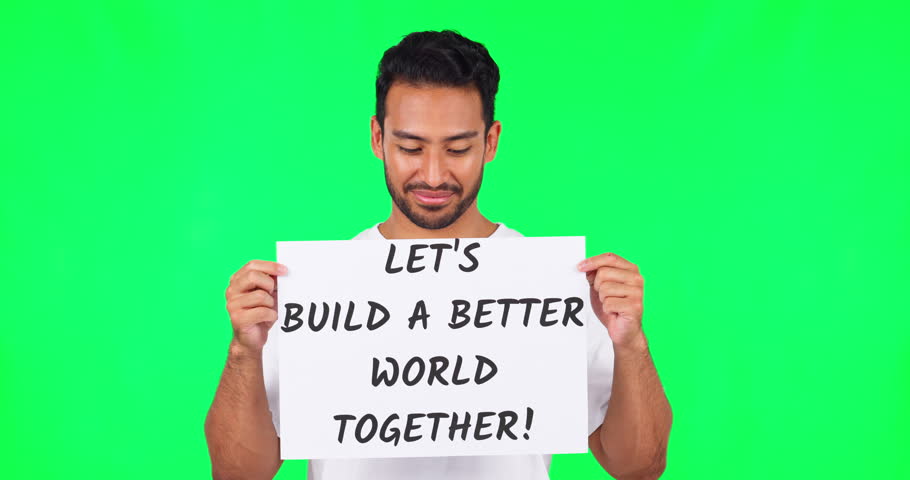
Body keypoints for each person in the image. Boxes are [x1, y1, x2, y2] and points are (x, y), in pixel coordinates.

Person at [204, 30, 672, 480]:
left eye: (458, 148)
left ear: (490, 142)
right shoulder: (316, 291)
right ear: (377, 139)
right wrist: (244, 350)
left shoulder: (552, 285)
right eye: (410, 147)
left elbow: (638, 467)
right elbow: (238, 473)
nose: (432, 174)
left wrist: (631, 343)